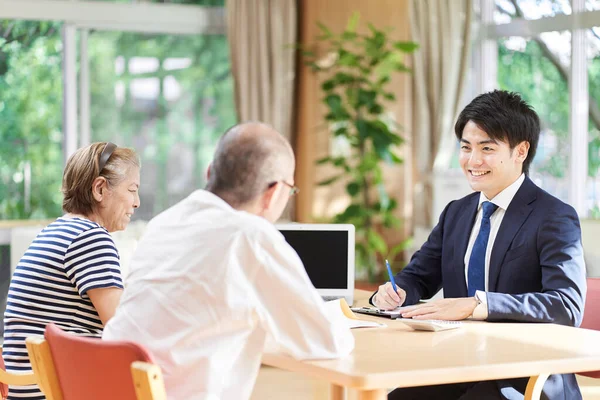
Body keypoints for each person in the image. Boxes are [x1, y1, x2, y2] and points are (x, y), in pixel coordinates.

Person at [103, 122, 355, 400]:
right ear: (273, 193)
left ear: (209, 172)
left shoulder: (163, 223)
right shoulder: (251, 235)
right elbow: (325, 342)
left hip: (112, 388)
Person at [372, 90, 586, 400]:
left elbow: (566, 305)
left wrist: (478, 304)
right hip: (460, 364)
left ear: (521, 151)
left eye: (487, 148)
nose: (473, 161)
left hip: (521, 375)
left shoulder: (553, 216)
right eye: (466, 147)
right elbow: (419, 276)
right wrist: (396, 291)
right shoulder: (457, 212)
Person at [2, 142, 140, 400]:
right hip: (55, 391)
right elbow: (123, 329)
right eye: (132, 190)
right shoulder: (91, 239)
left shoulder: (55, 232)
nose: (137, 202)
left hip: (27, 390)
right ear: (100, 189)